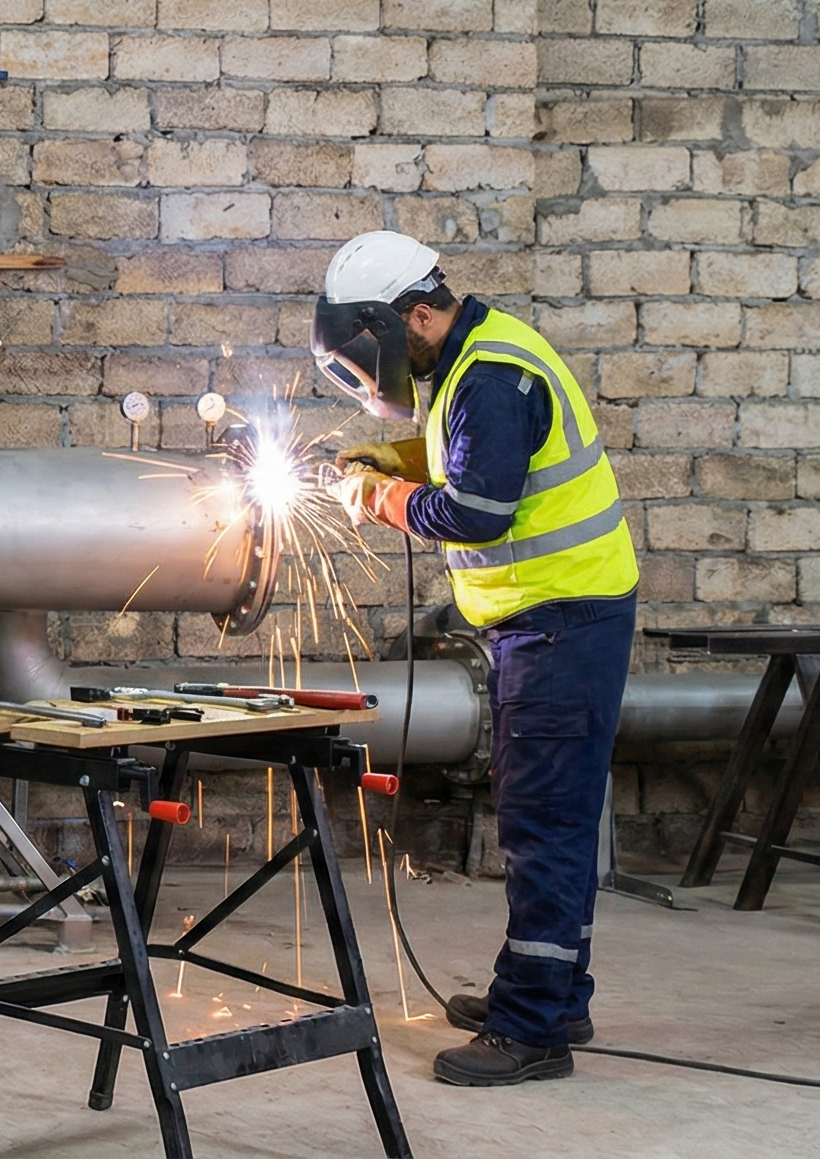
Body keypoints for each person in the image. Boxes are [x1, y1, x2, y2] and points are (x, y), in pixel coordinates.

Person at [311, 230, 639, 1089]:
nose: (374, 368)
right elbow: (472, 453)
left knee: (543, 830)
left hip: (562, 623)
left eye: (375, 348)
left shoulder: (491, 376)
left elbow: (478, 512)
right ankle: (554, 998)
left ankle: (532, 1031)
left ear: (414, 314)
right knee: (553, 821)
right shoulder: (470, 358)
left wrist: (379, 498)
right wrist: (391, 457)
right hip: (553, 618)